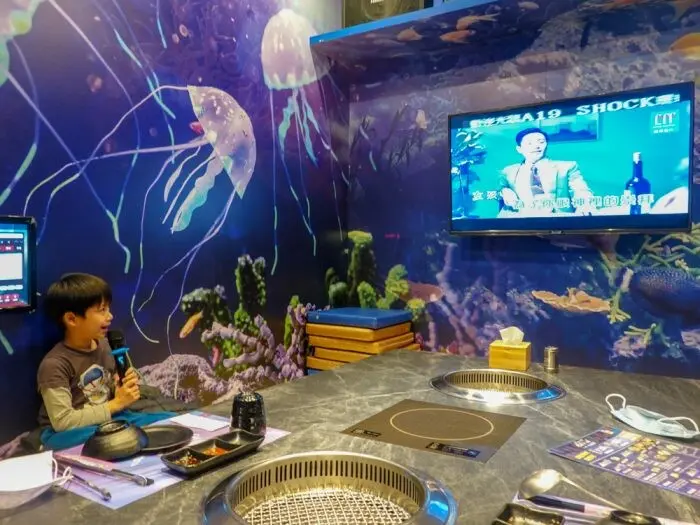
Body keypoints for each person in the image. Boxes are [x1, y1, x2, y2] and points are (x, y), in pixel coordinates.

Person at [37, 273, 174, 450]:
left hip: (109, 418)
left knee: (168, 421)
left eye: (108, 309)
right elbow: (63, 421)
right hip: (69, 432)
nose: (110, 316)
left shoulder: (105, 345)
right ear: (71, 319)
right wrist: (116, 404)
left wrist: (121, 388)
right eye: (101, 310)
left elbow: (112, 395)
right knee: (110, 440)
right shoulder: (54, 364)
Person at [498, 127, 594, 216]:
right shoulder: (508, 171)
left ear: (546, 144)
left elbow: (581, 189)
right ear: (519, 149)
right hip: (521, 222)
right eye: (529, 143)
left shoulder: (566, 167)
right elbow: (498, 191)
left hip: (558, 223)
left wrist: (585, 204)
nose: (536, 146)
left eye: (541, 142)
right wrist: (503, 191)